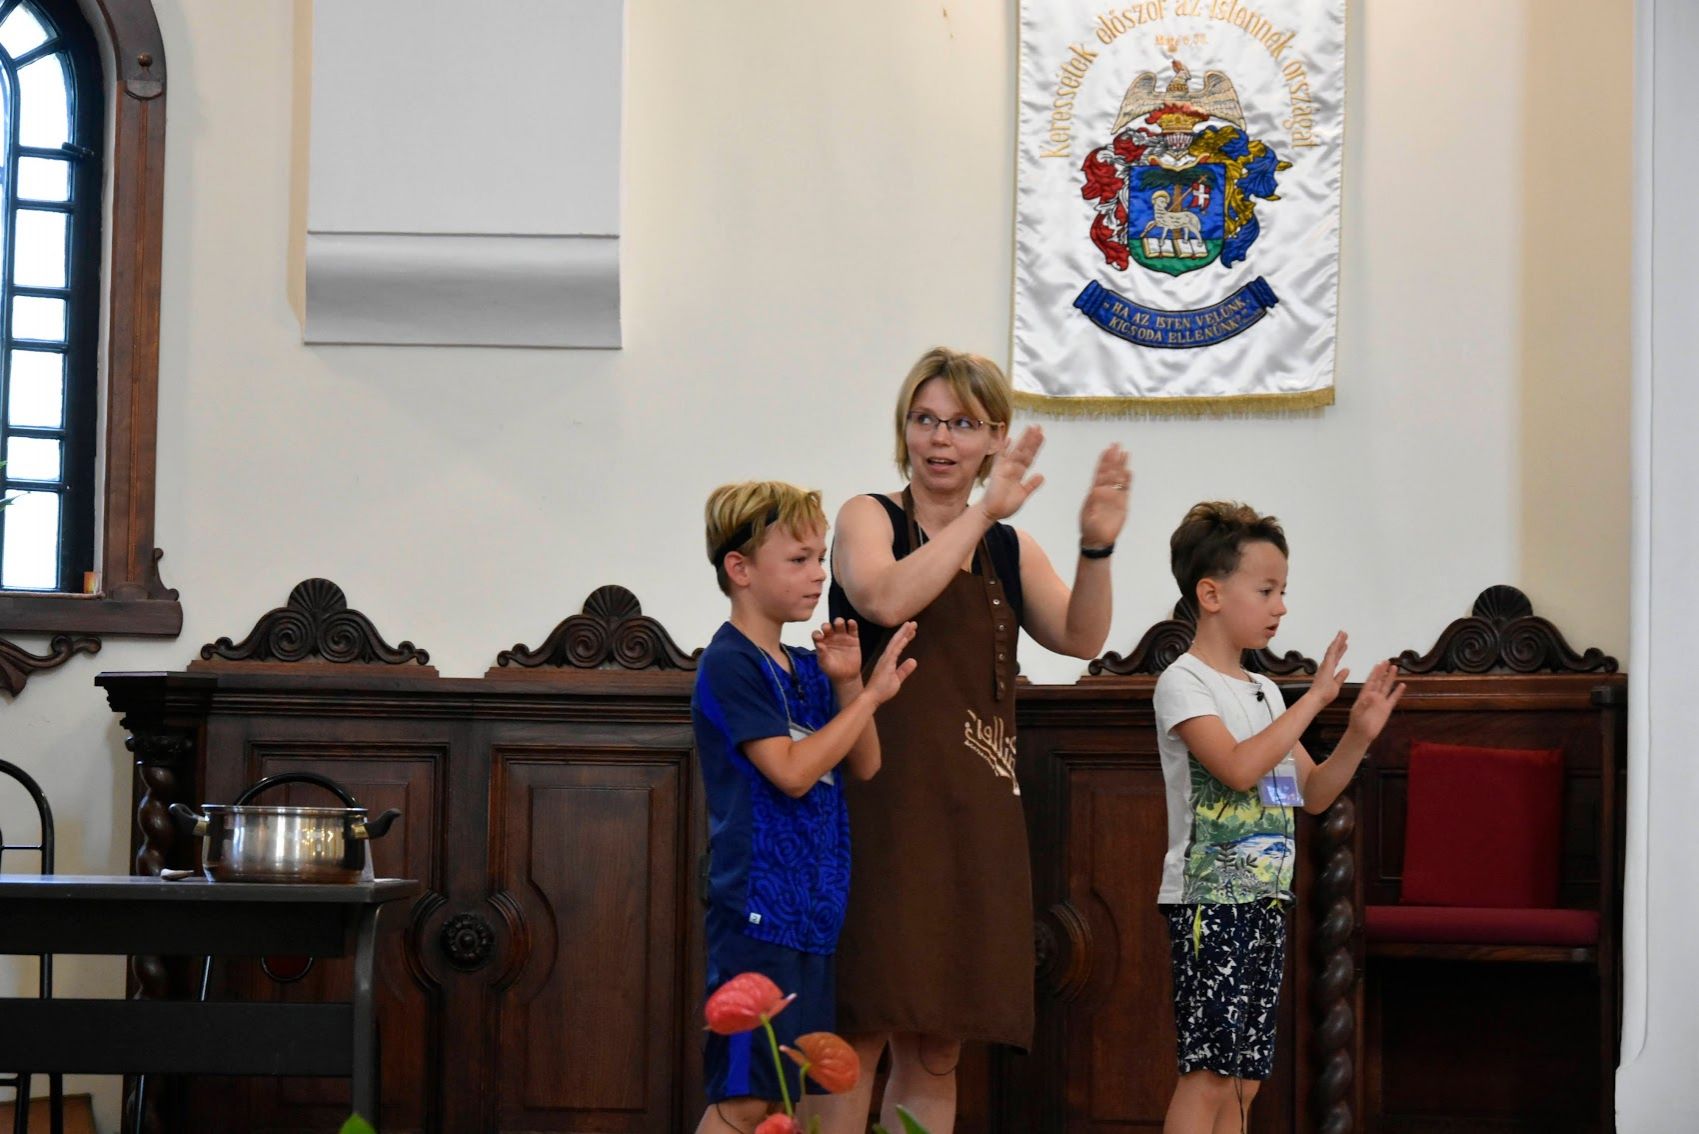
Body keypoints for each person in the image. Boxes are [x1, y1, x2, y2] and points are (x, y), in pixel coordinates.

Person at [816, 347, 1131, 1133]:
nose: (939, 439)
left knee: (938, 1046)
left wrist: (1096, 547)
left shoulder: (1007, 546)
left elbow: (1080, 636)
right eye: (924, 420)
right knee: (857, 1030)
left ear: (994, 437)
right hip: (879, 805)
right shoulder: (868, 516)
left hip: (974, 812)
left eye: (960, 424)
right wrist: (984, 513)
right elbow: (882, 596)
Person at [1152, 501, 1405, 1134]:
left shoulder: (1264, 692)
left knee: (1244, 1080)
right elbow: (1238, 768)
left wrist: (1357, 735)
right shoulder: (1184, 682)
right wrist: (1314, 698)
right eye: (1266, 591)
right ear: (1211, 593)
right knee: (1209, 1073)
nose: (1281, 607)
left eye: (1283, 591)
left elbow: (1312, 794)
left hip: (1266, 900)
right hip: (1210, 901)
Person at [692, 480, 918, 1134]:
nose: (818, 574)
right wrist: (870, 698)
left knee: (788, 1099)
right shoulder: (730, 662)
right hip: (757, 912)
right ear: (740, 569)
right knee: (744, 1100)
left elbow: (865, 763)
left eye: (820, 558)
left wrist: (847, 685)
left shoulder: (806, 664)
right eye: (798, 559)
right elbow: (791, 773)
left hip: (813, 914)